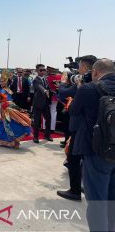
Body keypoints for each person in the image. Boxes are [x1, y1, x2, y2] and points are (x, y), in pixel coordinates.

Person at [69, 59, 115, 231]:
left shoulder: (89, 88)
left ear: (95, 72)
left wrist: (80, 86)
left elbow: (73, 111)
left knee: (97, 202)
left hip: (96, 151)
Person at [57, 55, 97, 201]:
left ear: (85, 68)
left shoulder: (84, 83)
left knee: (73, 158)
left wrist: (62, 82)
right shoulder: (100, 82)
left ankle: (74, 191)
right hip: (96, 128)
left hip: (80, 127)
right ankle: (84, 186)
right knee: (88, 160)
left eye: (79, 66)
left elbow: (64, 94)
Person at [0, 70, 32, 149]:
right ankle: (3, 141)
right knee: (7, 124)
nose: (1, 83)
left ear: (6, 82)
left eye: (2, 81)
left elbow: (3, 100)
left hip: (7, 109)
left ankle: (13, 141)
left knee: (8, 125)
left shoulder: (4, 90)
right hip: (8, 107)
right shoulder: (7, 90)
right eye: (1, 81)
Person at [32, 64, 52, 143]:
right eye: (41, 70)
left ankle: (47, 135)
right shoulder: (35, 80)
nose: (43, 71)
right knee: (37, 121)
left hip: (45, 103)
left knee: (48, 119)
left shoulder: (46, 79)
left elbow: (49, 89)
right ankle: (35, 137)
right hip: (38, 103)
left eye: (44, 70)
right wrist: (44, 91)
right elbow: (39, 87)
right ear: (37, 71)